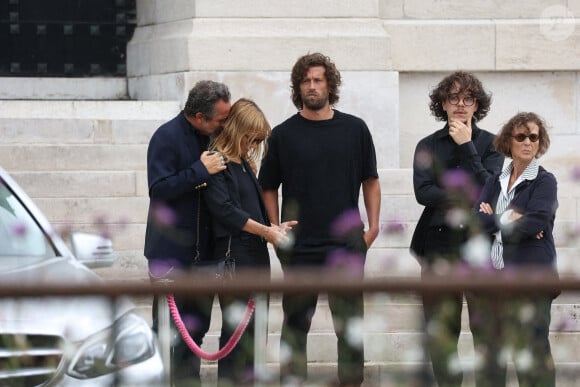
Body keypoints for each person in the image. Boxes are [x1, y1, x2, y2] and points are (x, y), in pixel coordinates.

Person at [258, 52, 381, 386]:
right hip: (300, 247)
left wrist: (373, 228)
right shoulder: (282, 135)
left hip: (347, 245)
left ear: (330, 85)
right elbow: (267, 186)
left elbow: (371, 180)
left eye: (318, 80)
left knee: (350, 325)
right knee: (296, 324)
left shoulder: (355, 129)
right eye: (306, 81)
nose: (312, 86)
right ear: (299, 87)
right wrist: (274, 227)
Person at [410, 71, 504, 386]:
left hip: (480, 246)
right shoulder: (427, 144)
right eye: (453, 98)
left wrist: (467, 146)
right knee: (441, 330)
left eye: (468, 98)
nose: (461, 104)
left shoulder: (492, 144)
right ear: (443, 104)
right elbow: (423, 192)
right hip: (438, 244)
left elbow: (490, 189)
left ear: (477, 104)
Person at [202, 98, 297, 385]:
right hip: (235, 257)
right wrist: (267, 232)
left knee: (256, 333)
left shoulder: (243, 164)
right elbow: (226, 211)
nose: (253, 145)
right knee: (237, 333)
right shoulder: (217, 160)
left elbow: (249, 210)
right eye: (250, 138)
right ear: (236, 130)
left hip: (254, 255)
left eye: (257, 140)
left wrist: (274, 228)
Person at [144, 80, 230, 386]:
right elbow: (159, 188)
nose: (225, 124)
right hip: (170, 256)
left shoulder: (214, 137)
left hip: (205, 256)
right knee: (167, 330)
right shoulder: (166, 137)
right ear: (199, 116)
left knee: (195, 330)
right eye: (221, 119)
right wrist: (199, 170)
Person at [475, 112, 557, 387]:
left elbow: (537, 219)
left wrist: (494, 221)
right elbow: (477, 220)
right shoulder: (493, 181)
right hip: (495, 280)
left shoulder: (545, 181)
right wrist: (512, 219)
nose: (527, 142)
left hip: (531, 278)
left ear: (539, 142)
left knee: (532, 352)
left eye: (533, 137)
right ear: (508, 142)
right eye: (520, 136)